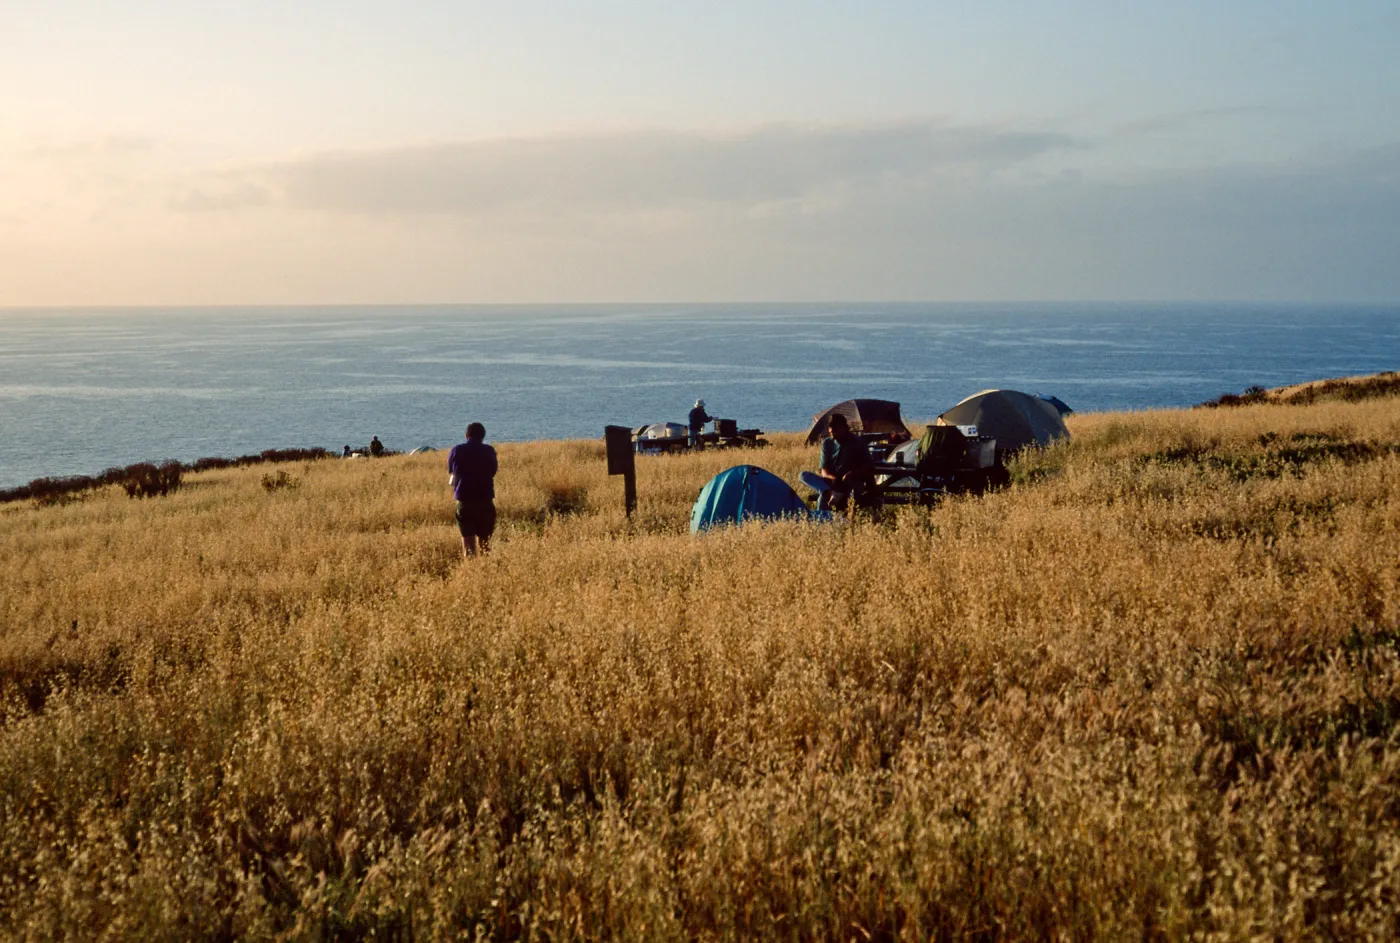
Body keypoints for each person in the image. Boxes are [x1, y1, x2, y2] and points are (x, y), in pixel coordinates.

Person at [447, 422, 498, 559]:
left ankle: (470, 571)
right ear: (483, 436)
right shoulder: (489, 451)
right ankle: (485, 571)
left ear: (466, 435)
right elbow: (493, 472)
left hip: (464, 502)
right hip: (485, 501)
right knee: (485, 545)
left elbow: (452, 473)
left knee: (468, 545)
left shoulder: (456, 450)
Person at [817, 413, 874, 512]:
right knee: (804, 476)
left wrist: (852, 474)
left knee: (850, 498)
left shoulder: (857, 442)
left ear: (844, 427)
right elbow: (823, 470)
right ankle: (823, 519)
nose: (831, 431)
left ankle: (846, 520)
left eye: (835, 427)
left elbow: (868, 465)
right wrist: (834, 479)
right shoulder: (827, 443)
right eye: (830, 427)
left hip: (852, 482)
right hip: (832, 482)